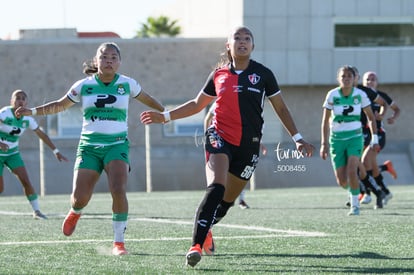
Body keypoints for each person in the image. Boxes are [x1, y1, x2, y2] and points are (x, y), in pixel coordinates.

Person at [140, 26, 314, 267]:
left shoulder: (263, 74)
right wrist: (166, 117)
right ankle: (195, 245)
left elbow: (281, 108)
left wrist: (297, 138)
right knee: (217, 186)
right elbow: (196, 104)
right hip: (218, 136)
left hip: (249, 146)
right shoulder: (218, 74)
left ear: (253, 45)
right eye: (237, 38)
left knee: (227, 201)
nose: (242, 42)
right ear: (228, 45)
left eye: (247, 39)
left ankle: (208, 227)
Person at [15, 42, 165, 256]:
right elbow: (59, 104)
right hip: (89, 147)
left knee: (118, 189)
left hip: (117, 145)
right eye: (104, 57)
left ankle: (119, 243)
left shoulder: (127, 84)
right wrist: (32, 111)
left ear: (120, 62)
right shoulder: (83, 85)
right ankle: (75, 212)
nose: (109, 60)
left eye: (113, 57)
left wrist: (166, 114)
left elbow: (147, 98)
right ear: (97, 61)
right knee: (79, 197)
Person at [320, 65, 380, 216]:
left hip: (355, 137)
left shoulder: (360, 94)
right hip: (336, 140)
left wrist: (374, 137)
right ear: (338, 79)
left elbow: (371, 117)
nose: (346, 79)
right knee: (341, 180)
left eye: (349, 76)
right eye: (343, 76)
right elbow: (325, 121)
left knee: (352, 170)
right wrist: (323, 144)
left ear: (354, 79)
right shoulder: (332, 95)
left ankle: (355, 206)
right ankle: (354, 191)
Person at [0, 89, 68, 219]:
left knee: (26, 180)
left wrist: (56, 151)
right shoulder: (4, 113)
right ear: (11, 101)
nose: (20, 100)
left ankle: (37, 211)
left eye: (23, 98)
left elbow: (42, 134)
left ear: (26, 102)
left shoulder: (28, 119)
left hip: (12, 154)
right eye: (17, 98)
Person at [204, 102, 268, 209]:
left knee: (239, 172)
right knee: (220, 173)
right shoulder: (223, 97)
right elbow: (207, 118)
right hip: (222, 142)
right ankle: (213, 202)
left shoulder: (254, 104)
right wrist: (207, 138)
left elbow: (256, 129)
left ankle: (239, 200)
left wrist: (258, 142)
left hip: (242, 143)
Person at [360, 71, 400, 206]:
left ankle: (367, 192)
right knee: (368, 165)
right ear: (362, 81)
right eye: (367, 79)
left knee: (364, 162)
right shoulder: (360, 94)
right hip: (364, 134)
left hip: (378, 134)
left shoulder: (382, 96)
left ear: (377, 82)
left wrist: (387, 117)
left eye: (373, 79)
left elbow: (396, 108)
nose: (370, 81)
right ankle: (384, 191)